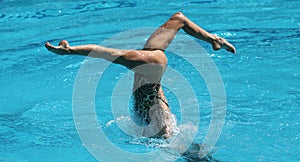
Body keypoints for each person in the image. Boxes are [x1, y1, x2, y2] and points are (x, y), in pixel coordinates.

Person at [45, 12, 236, 139]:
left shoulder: (137, 59)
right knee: (177, 19)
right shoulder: (152, 53)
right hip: (155, 105)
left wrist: (70, 51)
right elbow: (180, 19)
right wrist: (212, 39)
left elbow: (102, 51)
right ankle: (215, 40)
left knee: (166, 140)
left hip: (154, 114)